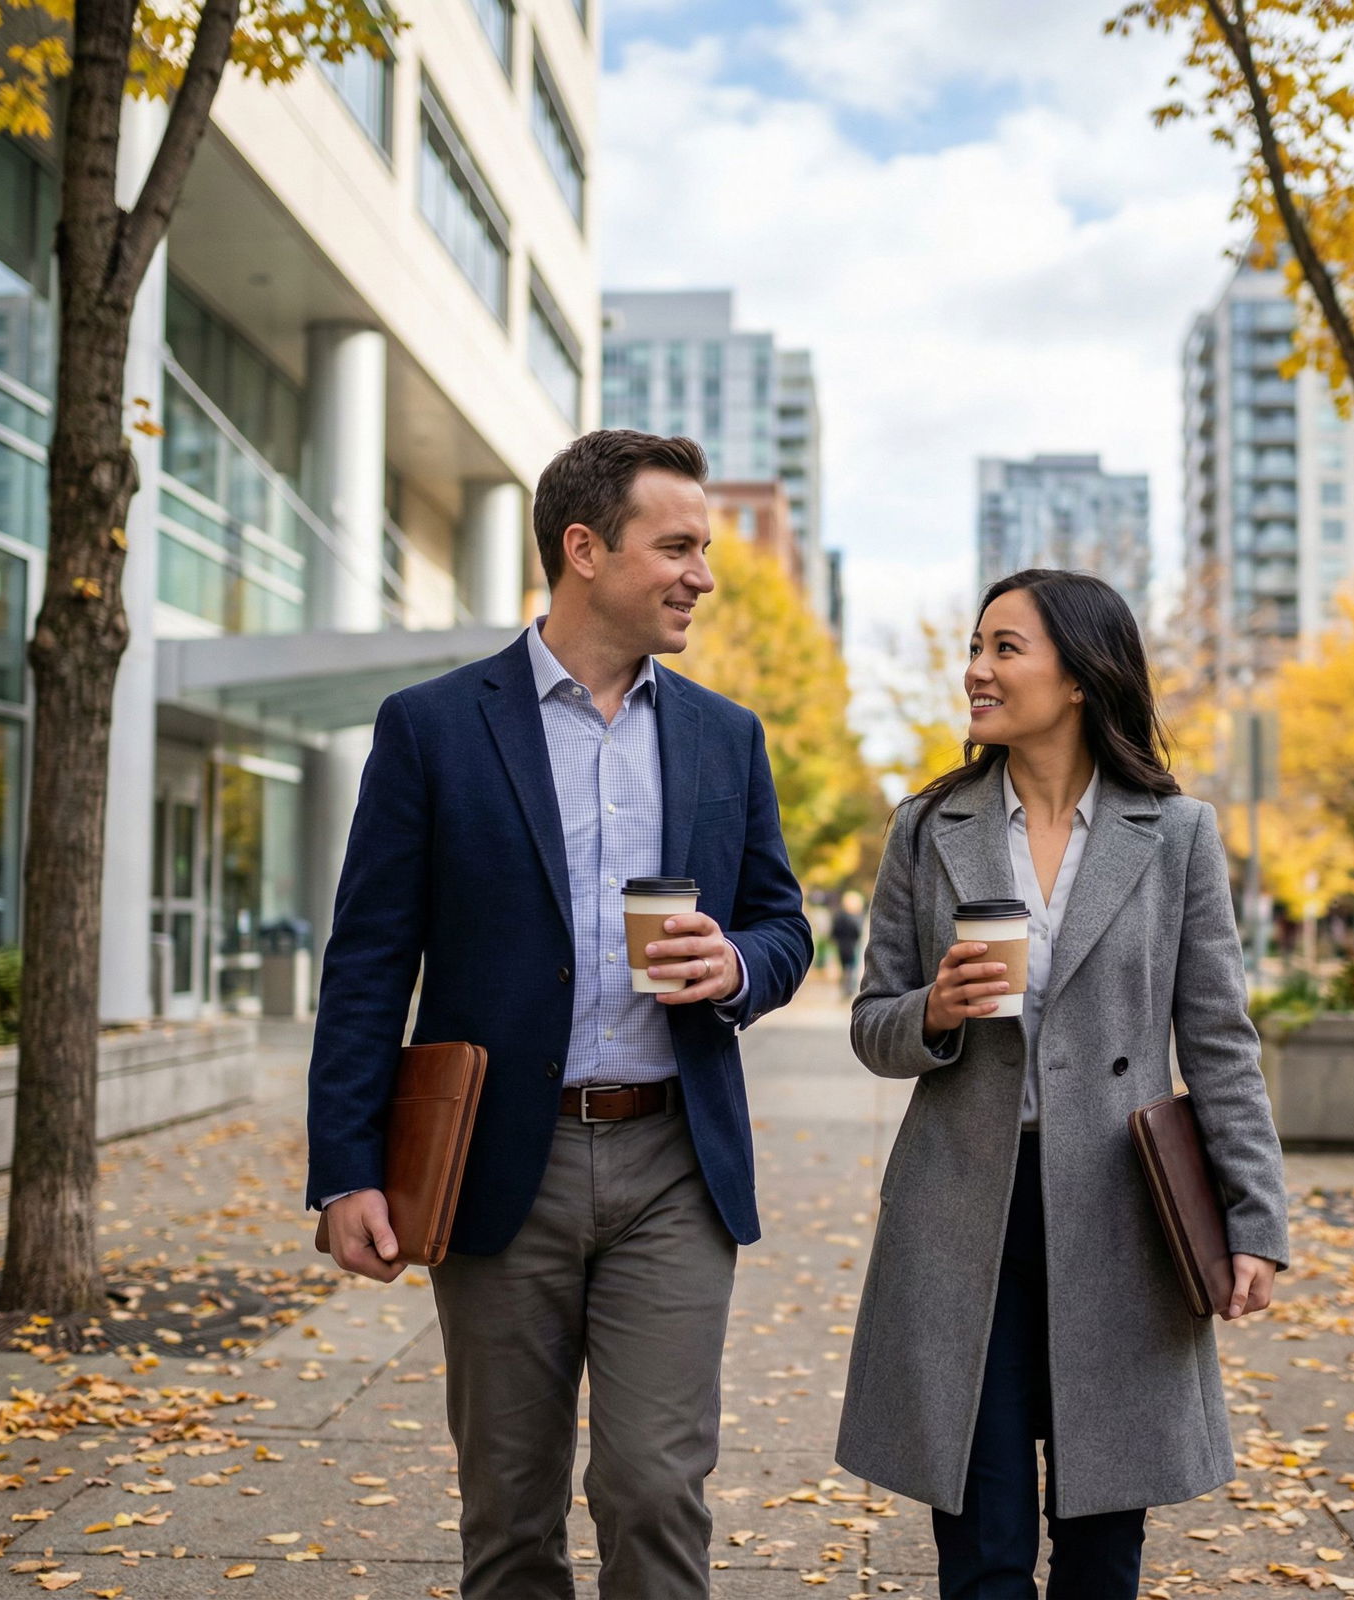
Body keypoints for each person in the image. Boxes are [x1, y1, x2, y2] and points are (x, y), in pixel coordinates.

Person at [306, 430, 812, 1600]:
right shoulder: (431, 727)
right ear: (584, 549)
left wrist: (736, 965)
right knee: (510, 1509)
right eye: (676, 546)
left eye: (703, 548)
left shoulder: (723, 734)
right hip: (493, 1166)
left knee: (653, 1489)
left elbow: (781, 926)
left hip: (673, 1160)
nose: (702, 574)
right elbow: (370, 959)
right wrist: (346, 1170)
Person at [835, 569, 1288, 1600]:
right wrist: (935, 1014)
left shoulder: (1174, 834)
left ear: (1079, 675)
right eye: (976, 647)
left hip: (1120, 1212)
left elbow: (1218, 1038)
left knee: (1099, 1541)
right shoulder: (927, 825)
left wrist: (1254, 1219)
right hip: (964, 1215)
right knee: (981, 1537)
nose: (976, 670)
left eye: (1005, 648)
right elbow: (873, 1026)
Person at [830, 890, 865, 998]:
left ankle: (845, 988)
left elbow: (834, 932)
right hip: (852, 946)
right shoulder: (856, 918)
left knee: (844, 967)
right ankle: (848, 988)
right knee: (851, 967)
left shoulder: (839, 915)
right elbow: (857, 933)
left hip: (841, 946)